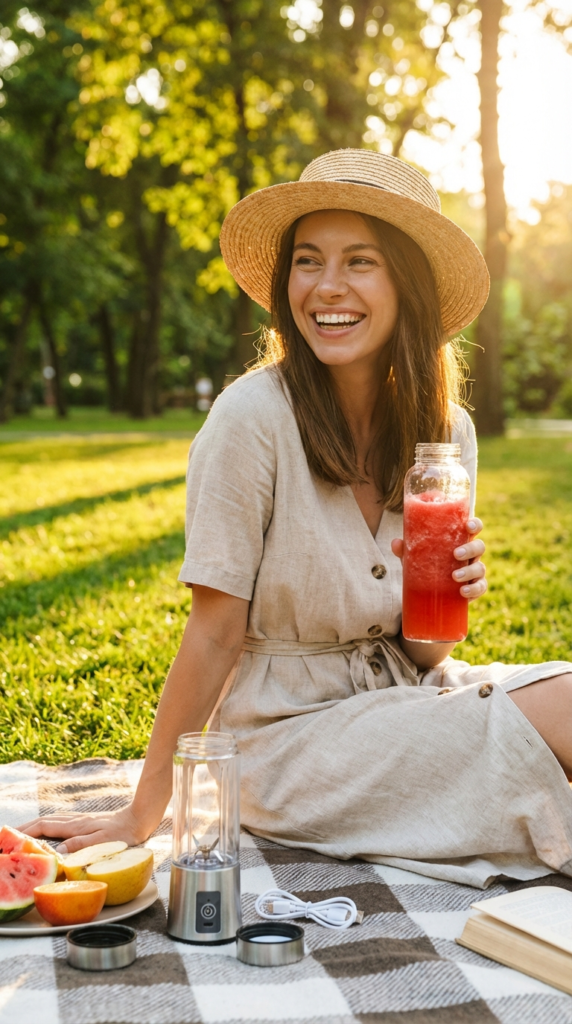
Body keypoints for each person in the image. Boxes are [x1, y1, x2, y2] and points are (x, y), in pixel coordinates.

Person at [22, 150, 572, 888]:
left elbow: (426, 655)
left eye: (360, 261)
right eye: (308, 261)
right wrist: (145, 808)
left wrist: (446, 601)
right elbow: (215, 633)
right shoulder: (251, 420)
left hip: (402, 700)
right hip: (281, 744)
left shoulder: (445, 434)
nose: (328, 287)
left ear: (406, 284)